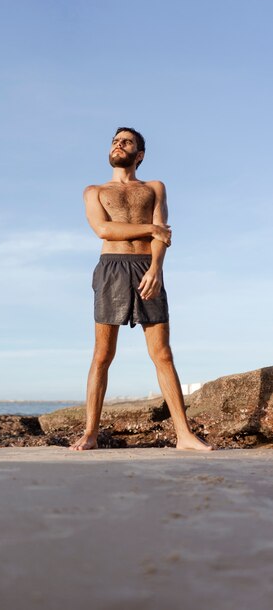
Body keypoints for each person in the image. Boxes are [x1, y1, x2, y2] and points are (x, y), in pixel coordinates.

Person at [69, 126, 212, 451]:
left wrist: (156, 269)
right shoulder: (93, 191)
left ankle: (184, 435)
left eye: (127, 141)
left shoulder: (154, 187)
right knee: (103, 354)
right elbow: (103, 229)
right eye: (115, 141)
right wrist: (151, 228)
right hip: (112, 270)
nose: (119, 144)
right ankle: (90, 433)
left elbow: (162, 236)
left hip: (148, 268)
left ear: (140, 154)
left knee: (162, 353)